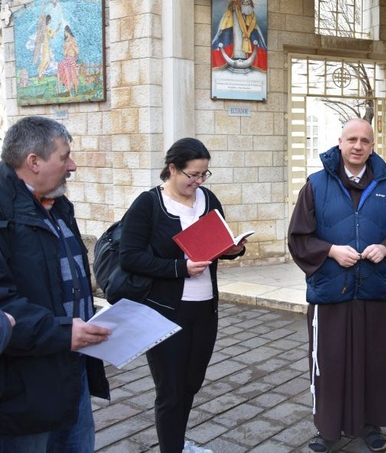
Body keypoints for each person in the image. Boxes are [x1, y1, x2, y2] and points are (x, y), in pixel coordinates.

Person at [288, 118, 386, 453]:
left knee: (372, 361)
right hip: (331, 289)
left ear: (373, 146)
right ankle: (328, 429)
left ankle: (370, 425)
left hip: (371, 289)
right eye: (352, 139)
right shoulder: (315, 185)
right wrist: (329, 250)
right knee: (329, 362)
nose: (358, 146)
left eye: (366, 141)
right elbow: (299, 237)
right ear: (339, 142)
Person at [120, 138, 246, 453]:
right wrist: (180, 268)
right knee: (170, 390)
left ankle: (176, 441)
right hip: (164, 311)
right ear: (172, 168)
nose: (198, 182)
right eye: (192, 175)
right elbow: (130, 257)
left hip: (205, 310)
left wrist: (232, 250)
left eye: (204, 174)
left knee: (191, 383)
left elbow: (215, 246)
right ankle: (171, 449)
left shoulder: (209, 200)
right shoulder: (148, 204)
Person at [0, 116, 110, 451]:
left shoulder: (59, 205)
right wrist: (63, 331)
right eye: (64, 157)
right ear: (33, 162)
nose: (72, 165)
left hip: (72, 369)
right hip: (23, 390)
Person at [57, 25, 80, 97]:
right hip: (67, 60)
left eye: (65, 32)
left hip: (72, 59)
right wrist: (67, 49)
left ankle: (72, 89)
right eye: (64, 33)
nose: (65, 34)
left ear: (68, 32)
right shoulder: (65, 42)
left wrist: (72, 47)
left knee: (70, 71)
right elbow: (64, 54)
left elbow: (77, 52)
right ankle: (68, 89)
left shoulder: (73, 39)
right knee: (62, 67)